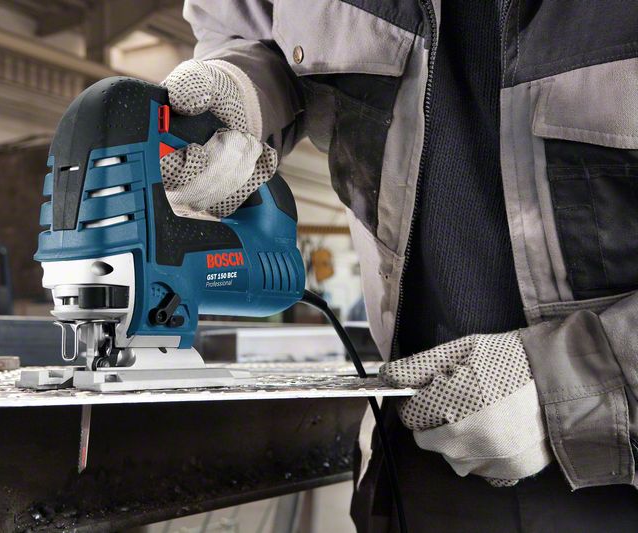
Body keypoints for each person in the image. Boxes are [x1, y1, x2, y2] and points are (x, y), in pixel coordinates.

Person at [158, 1, 638, 531]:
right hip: (416, 452)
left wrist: (579, 379)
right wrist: (244, 91)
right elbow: (252, 31)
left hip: (616, 470)